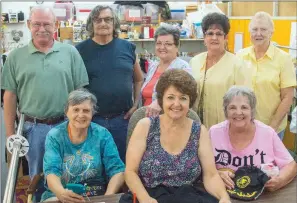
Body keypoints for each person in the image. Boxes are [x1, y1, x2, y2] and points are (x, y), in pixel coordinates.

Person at [1, 5, 89, 197]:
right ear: (28, 25)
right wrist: (10, 133)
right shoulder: (15, 57)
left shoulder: (71, 53)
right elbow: (10, 96)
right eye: (37, 24)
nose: (42, 28)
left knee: (71, 176)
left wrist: (81, 126)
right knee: (38, 180)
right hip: (34, 130)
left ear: (56, 25)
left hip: (67, 126)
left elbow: (80, 93)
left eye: (47, 24)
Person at [125, 69, 231, 203]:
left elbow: (210, 175)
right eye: (170, 97)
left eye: (183, 98)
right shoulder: (145, 126)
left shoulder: (199, 131)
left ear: (190, 101)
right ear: (161, 100)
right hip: (147, 195)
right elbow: (130, 172)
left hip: (188, 196)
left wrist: (224, 197)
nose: (176, 104)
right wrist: (145, 199)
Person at [75, 5, 143, 163]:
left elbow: (138, 78)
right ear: (91, 23)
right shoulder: (80, 51)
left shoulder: (128, 48)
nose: (103, 23)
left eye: (107, 19)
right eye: (97, 20)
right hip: (92, 121)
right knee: (94, 166)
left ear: (115, 23)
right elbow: (75, 86)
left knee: (123, 164)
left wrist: (136, 104)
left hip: (123, 120)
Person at [42, 89, 125, 202]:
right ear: (67, 112)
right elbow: (51, 171)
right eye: (76, 109)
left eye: (86, 110)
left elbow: (117, 170)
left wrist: (107, 198)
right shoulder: (55, 136)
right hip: (62, 193)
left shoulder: (102, 134)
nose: (81, 115)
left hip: (96, 193)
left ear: (92, 113)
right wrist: (61, 193)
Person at [210, 86, 297, 192]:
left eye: (244, 107)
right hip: (225, 194)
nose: (238, 112)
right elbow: (204, 167)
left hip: (263, 195)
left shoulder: (267, 133)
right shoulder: (214, 132)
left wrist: (280, 180)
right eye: (232, 107)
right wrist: (217, 173)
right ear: (226, 111)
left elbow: (290, 165)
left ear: (252, 111)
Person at [236, 12, 296, 140]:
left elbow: (288, 97)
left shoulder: (284, 59)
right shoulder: (240, 56)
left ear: (271, 32)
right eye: (255, 29)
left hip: (272, 128)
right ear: (249, 32)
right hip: (243, 125)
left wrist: (272, 127)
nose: (258, 33)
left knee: (268, 160)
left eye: (263, 29)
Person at [190, 12, 247, 129]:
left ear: (225, 37)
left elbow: (244, 100)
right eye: (210, 33)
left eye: (219, 34)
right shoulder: (194, 61)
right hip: (195, 127)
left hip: (226, 128)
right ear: (204, 37)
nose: (214, 38)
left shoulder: (237, 64)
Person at [141, 24, 191, 116]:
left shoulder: (183, 68)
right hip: (148, 121)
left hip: (169, 121)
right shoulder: (153, 67)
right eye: (159, 43)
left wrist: (160, 102)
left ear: (177, 46)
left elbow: (185, 96)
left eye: (168, 44)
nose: (162, 47)